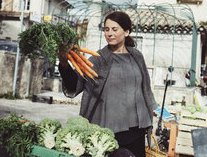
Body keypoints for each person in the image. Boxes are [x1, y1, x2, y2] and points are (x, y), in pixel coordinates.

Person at [58, 11, 157, 157]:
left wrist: (150, 116)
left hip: (137, 130)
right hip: (109, 133)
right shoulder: (98, 60)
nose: (109, 33)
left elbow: (145, 88)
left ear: (126, 31)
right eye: (106, 29)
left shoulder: (137, 56)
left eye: (114, 29)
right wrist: (64, 63)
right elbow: (75, 85)